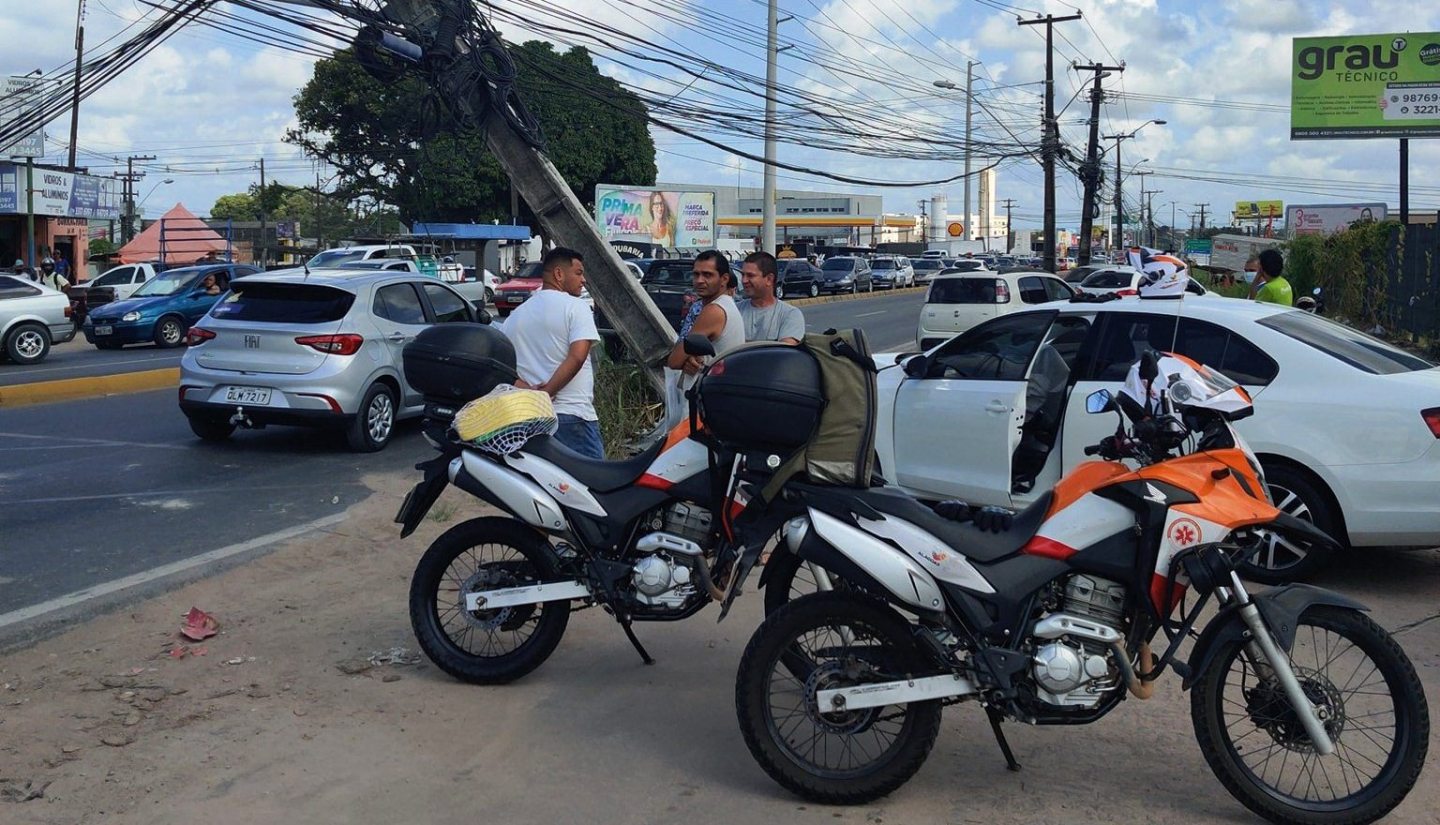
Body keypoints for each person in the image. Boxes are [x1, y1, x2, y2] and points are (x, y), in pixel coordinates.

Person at [504, 247, 604, 458]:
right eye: (578, 273)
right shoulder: (576, 307)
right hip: (572, 417)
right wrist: (546, 393)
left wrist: (530, 393)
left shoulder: (516, 315)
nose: (583, 280)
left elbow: (505, 369)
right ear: (559, 274)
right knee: (593, 478)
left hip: (529, 420)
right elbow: (577, 356)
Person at [666, 250, 744, 391]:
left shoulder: (714, 310)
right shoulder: (726, 304)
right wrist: (689, 359)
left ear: (724, 279)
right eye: (696, 274)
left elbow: (674, 361)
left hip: (711, 394)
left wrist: (686, 359)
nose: (699, 280)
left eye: (707, 275)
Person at [737, 251, 805, 344]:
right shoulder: (735, 311)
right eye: (743, 275)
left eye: (750, 276)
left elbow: (785, 351)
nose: (744, 280)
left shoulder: (789, 314)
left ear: (769, 279)